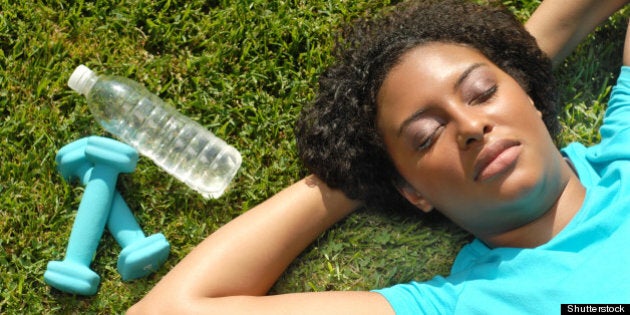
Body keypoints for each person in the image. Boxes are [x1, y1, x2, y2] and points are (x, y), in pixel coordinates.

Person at [129, 0, 630, 313]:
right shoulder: (461, 306)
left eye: (481, 93)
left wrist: (515, 68)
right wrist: (356, 175)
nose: (471, 127)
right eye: (427, 135)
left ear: (534, 98)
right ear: (413, 191)